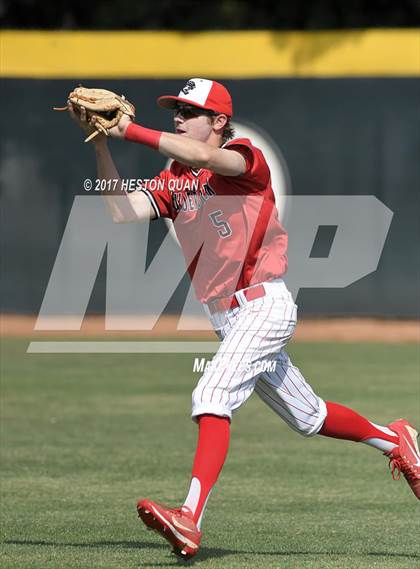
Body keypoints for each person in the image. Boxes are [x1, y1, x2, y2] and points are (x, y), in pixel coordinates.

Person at [69, 78, 420, 560]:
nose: (177, 117)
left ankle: (189, 518)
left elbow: (211, 160)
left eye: (188, 112)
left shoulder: (242, 158)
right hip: (227, 319)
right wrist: (102, 145)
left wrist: (131, 130)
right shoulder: (175, 178)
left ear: (217, 122)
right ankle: (394, 438)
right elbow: (120, 211)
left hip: (263, 304)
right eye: (175, 110)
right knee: (308, 415)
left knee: (211, 393)